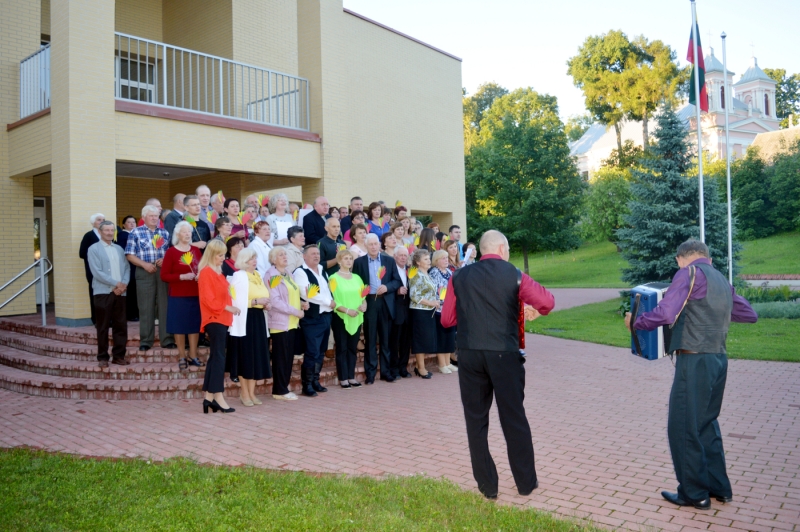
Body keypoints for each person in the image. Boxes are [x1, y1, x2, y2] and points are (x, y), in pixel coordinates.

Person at [625, 239, 757, 510]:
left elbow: (665, 312)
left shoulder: (688, 274)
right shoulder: (721, 279)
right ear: (706, 256)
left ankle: (693, 493)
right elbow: (749, 314)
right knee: (707, 424)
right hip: (718, 360)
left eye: (678, 262)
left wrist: (635, 322)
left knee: (683, 426)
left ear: (681, 258)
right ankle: (720, 488)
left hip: (694, 361)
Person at [440, 230, 555, 500]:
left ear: (481, 250)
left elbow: (447, 319)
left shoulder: (459, 276)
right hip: (504, 353)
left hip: (469, 354)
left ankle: (487, 486)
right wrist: (531, 309)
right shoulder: (514, 274)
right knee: (513, 417)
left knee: (476, 420)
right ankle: (526, 483)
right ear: (502, 249)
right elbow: (547, 302)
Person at [125, 205, 176, 351]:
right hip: (144, 271)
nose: (154, 218)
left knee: (164, 305)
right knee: (145, 307)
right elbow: (129, 254)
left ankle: (167, 339)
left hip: (162, 272)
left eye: (156, 216)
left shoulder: (164, 233)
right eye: (151, 216)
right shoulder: (135, 232)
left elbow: (170, 252)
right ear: (143, 218)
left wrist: (165, 259)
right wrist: (144, 265)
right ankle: (146, 341)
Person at [353, 233, 402, 384]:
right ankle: (370, 374)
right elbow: (356, 284)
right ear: (366, 246)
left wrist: (387, 287)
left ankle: (386, 372)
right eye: (371, 244)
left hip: (386, 302)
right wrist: (362, 298)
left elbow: (397, 281)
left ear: (380, 245)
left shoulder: (389, 260)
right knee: (370, 339)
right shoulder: (359, 262)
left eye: (376, 244)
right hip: (370, 303)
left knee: (386, 340)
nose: (374, 247)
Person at [197, 240, 239, 414]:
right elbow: (208, 299)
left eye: (223, 255)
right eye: (220, 255)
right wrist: (227, 307)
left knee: (216, 357)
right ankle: (218, 396)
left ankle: (208, 398)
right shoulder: (207, 272)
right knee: (219, 358)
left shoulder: (216, 272)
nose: (223, 258)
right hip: (215, 318)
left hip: (220, 318)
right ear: (211, 255)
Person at [228, 248, 272, 407]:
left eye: (254, 258)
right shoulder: (239, 276)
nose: (254, 261)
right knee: (245, 356)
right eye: (250, 259)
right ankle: (244, 393)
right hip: (244, 320)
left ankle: (252, 393)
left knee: (256, 356)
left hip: (258, 318)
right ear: (243, 262)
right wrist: (254, 302)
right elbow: (234, 301)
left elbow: (263, 295)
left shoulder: (258, 275)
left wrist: (266, 303)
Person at [160, 221, 203, 370]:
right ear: (177, 234)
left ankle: (193, 355)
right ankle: (182, 356)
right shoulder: (171, 252)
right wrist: (181, 277)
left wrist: (199, 275)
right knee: (179, 326)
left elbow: (202, 268)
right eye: (184, 232)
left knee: (194, 326)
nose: (187, 234)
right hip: (178, 295)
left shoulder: (196, 251)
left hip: (195, 294)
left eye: (189, 232)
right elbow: (164, 275)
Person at [265, 247, 307, 400]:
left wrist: (301, 303)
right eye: (280, 255)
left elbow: (291, 294)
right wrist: (296, 311)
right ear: (273, 259)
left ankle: (283, 388)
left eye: (285, 254)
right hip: (280, 322)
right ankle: (279, 390)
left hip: (292, 322)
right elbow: (275, 301)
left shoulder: (288, 273)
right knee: (281, 358)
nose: (284, 256)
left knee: (288, 357)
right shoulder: (271, 275)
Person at [293, 245, 335, 397]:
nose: (316, 256)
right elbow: (307, 293)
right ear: (304, 256)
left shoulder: (322, 270)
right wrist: (328, 302)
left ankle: (316, 381)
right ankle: (307, 385)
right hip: (312, 318)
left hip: (325, 316)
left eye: (318, 253)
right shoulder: (300, 272)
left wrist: (331, 302)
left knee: (321, 351)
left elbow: (327, 290)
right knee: (311, 352)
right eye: (312, 254)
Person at [87, 221, 130, 368]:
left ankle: (118, 356)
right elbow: (97, 272)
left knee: (121, 326)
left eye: (112, 230)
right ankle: (102, 357)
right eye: (107, 230)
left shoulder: (119, 249)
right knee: (103, 326)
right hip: (103, 293)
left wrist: (123, 284)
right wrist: (116, 284)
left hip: (121, 293)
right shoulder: (93, 249)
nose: (110, 233)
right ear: (100, 232)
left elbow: (126, 268)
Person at [329, 250, 366, 389]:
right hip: (341, 317)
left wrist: (364, 305)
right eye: (346, 258)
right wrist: (347, 311)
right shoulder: (333, 278)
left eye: (351, 258)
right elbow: (333, 299)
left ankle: (351, 376)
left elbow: (363, 296)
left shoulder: (357, 277)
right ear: (339, 261)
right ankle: (343, 378)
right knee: (342, 348)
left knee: (352, 348)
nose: (349, 261)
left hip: (356, 317)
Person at [408, 249, 438, 379]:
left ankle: (421, 366)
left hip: (428, 311)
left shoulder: (427, 274)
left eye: (429, 258)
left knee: (425, 339)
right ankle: (420, 367)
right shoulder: (415, 274)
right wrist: (431, 303)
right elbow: (414, 295)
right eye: (425, 259)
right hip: (419, 311)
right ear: (418, 262)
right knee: (420, 340)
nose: (429, 261)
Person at [429, 250, 457, 373]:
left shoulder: (450, 272)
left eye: (446, 258)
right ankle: (441, 364)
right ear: (436, 260)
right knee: (441, 337)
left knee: (449, 337)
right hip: (439, 308)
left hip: (450, 309)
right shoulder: (434, 272)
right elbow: (434, 290)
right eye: (443, 258)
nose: (446, 260)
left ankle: (448, 362)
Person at [389, 246, 412, 379]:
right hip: (395, 310)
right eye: (401, 255)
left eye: (405, 255)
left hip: (408, 310)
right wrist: (397, 291)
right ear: (395, 256)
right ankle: (394, 369)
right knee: (394, 342)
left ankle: (403, 368)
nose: (403, 257)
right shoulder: (391, 270)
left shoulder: (410, 271)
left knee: (405, 342)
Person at [79, 213, 104, 324]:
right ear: (93, 223)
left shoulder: (107, 235)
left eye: (104, 219)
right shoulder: (88, 236)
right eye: (99, 220)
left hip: (107, 271)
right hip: (93, 272)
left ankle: (108, 319)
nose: (102, 221)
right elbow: (82, 253)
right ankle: (96, 320)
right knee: (95, 295)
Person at [116, 215, 139, 321]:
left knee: (135, 291)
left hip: (137, 266)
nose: (132, 224)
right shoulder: (123, 235)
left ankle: (135, 313)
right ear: (124, 224)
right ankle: (130, 314)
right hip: (129, 266)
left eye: (133, 222)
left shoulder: (136, 234)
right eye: (129, 222)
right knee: (130, 291)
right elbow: (122, 252)